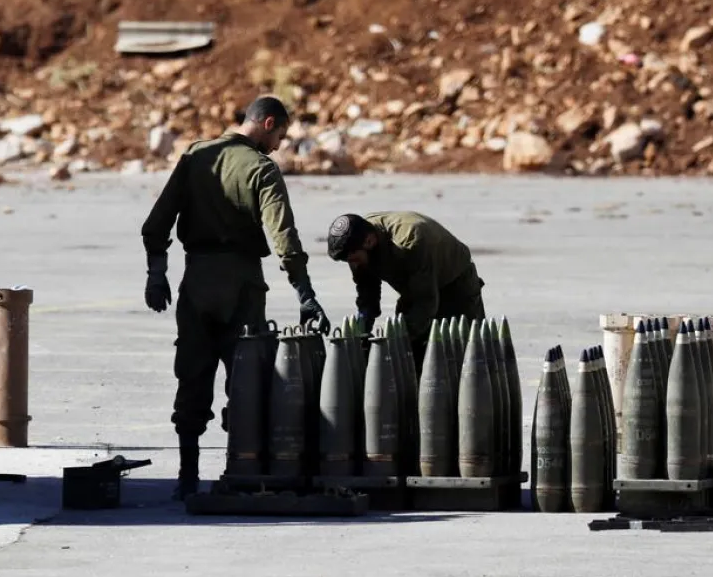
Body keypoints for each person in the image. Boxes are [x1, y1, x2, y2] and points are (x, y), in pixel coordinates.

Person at [139, 95, 330, 500]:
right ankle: (238, 470)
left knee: (191, 376)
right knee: (247, 381)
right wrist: (305, 293)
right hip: (242, 286)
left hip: (196, 281)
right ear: (267, 124)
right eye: (281, 134)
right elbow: (285, 240)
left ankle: (187, 477)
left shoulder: (195, 155)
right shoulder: (262, 169)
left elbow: (157, 222)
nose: (280, 143)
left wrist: (157, 274)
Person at [325, 211, 485, 370]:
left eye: (354, 260)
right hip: (415, 287)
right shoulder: (359, 240)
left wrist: (395, 340)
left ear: (369, 241)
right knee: (408, 358)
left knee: (461, 356)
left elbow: (425, 303)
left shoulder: (409, 242)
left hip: (455, 284)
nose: (354, 265)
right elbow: (367, 288)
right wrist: (363, 323)